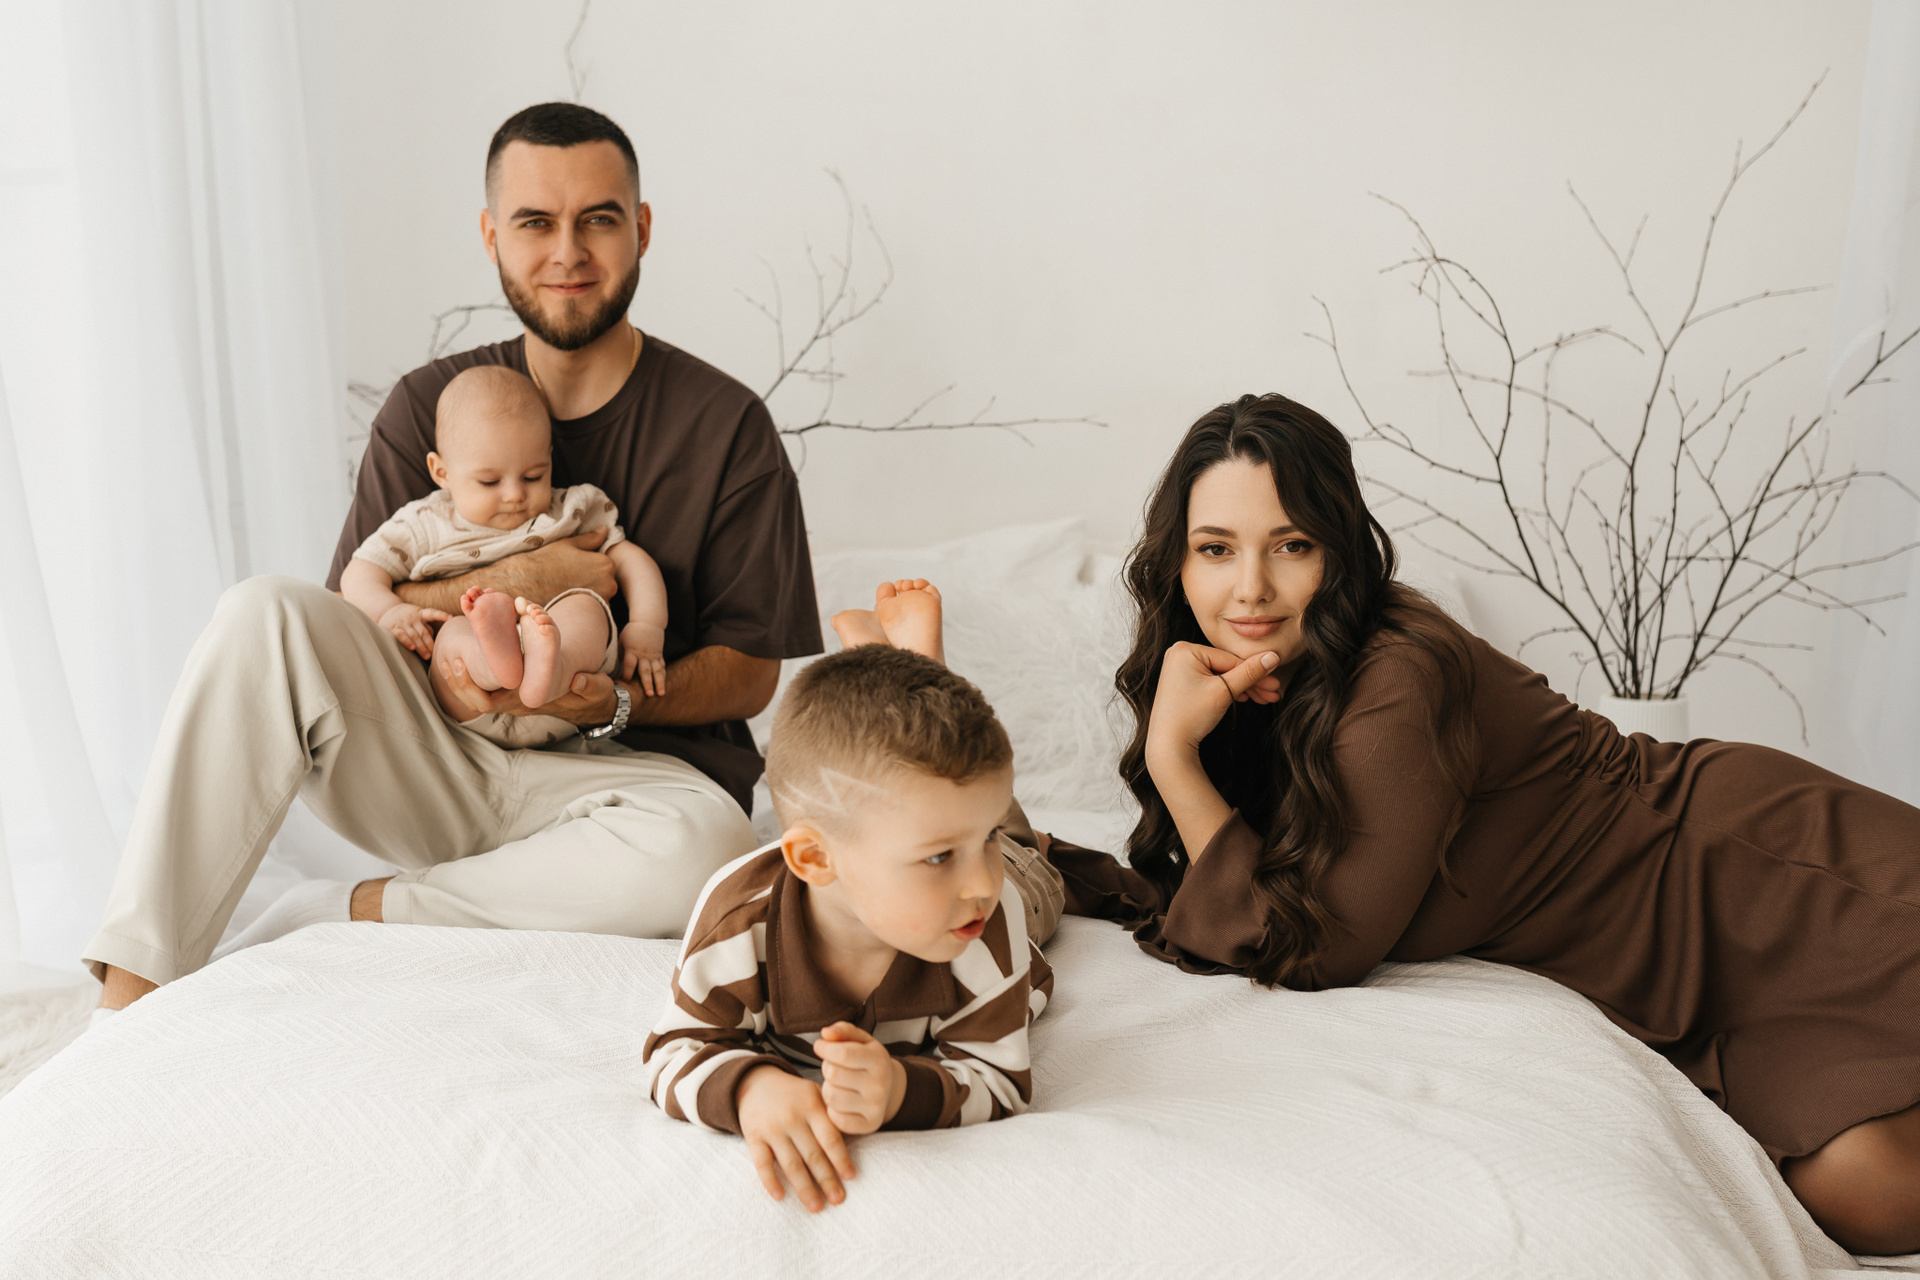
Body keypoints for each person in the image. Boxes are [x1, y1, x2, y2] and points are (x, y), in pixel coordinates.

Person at [1077, 390, 1920, 1255]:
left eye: (1292, 545)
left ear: (1341, 551)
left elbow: (1317, 950)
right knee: (1861, 1191)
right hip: (1667, 970)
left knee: (1870, 1195)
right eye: (1216, 548)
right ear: (1178, 562)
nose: (1251, 586)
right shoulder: (1254, 680)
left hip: (1754, 879)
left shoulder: (1403, 671)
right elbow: (1235, 879)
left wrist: (1173, 756)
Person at [85, 101, 820, 1015]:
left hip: (626, 795)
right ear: (491, 236)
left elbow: (751, 674)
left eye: (597, 219)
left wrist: (612, 698)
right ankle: (129, 994)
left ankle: (348, 913)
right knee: (260, 612)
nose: (567, 253)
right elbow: (353, 616)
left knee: (708, 850)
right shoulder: (428, 406)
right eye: (535, 222)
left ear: (641, 229)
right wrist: (538, 582)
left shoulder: (725, 425)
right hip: (440, 761)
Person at [644, 581, 1062, 1213]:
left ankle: (916, 675)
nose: (982, 883)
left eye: (980, 846)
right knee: (963, 816)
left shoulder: (990, 911)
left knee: (1026, 864)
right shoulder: (737, 921)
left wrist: (900, 1090)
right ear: (815, 860)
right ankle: (906, 673)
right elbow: (672, 1051)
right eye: (939, 857)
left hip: (1021, 885)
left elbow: (1000, 1081)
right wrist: (751, 1088)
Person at [341, 364, 670, 749]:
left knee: (584, 605)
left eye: (533, 476)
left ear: (550, 459)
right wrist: (391, 611)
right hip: (468, 701)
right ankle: (492, 660)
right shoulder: (424, 523)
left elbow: (630, 561)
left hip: (569, 701)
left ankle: (553, 664)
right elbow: (359, 572)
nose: (515, 495)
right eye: (489, 481)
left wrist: (647, 626)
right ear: (441, 471)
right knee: (453, 634)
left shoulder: (571, 510)